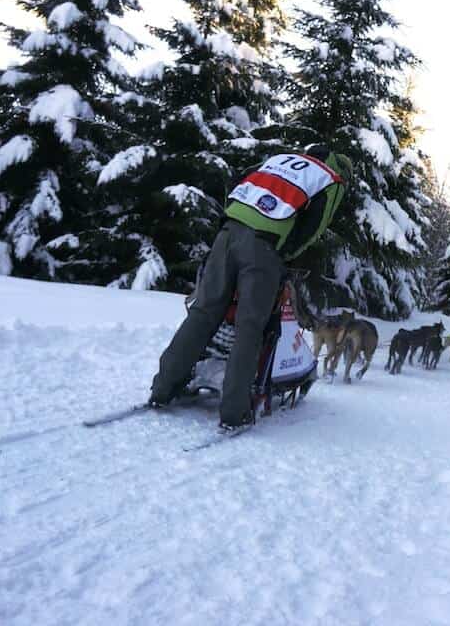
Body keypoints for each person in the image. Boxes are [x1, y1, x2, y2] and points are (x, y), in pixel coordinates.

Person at [147, 144, 351, 430]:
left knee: (203, 313)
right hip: (263, 245)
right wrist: (282, 255)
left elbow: (242, 184)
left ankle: (163, 389)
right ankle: (234, 412)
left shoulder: (281, 160)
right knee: (250, 327)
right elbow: (312, 228)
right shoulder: (331, 179)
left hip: (228, 230)